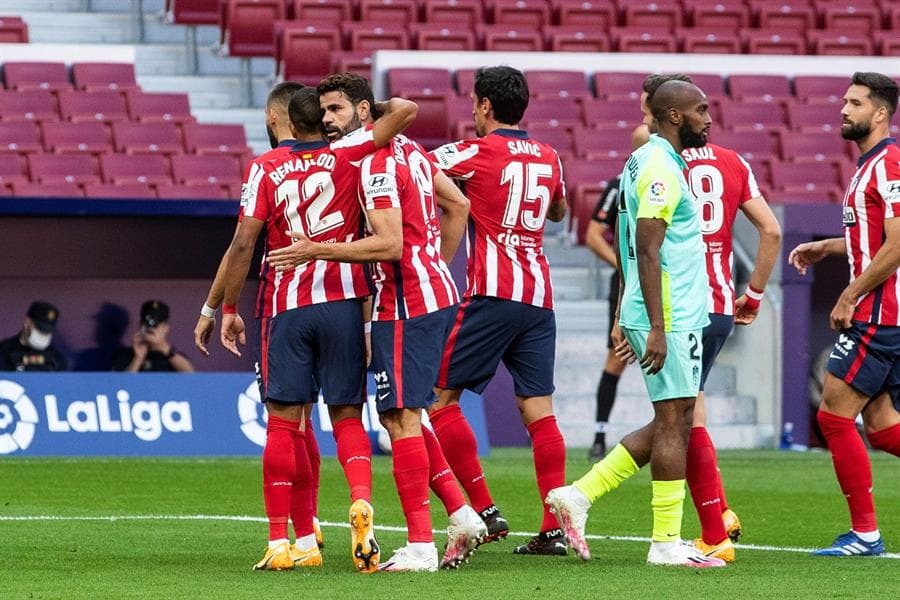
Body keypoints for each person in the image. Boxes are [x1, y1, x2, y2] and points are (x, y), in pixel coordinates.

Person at [268, 73, 486, 572]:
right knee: (404, 413)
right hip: (424, 294)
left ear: (365, 113)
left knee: (402, 419)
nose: (327, 120)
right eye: (323, 111)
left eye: (338, 110)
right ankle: (459, 511)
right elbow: (458, 204)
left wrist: (315, 248)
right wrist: (435, 263)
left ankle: (420, 545)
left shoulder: (374, 165)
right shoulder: (408, 147)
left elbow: (389, 244)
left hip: (408, 302)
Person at [218, 84, 417, 572]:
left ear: (284, 120)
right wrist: (373, 110)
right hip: (345, 303)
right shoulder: (348, 152)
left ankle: (284, 542)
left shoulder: (264, 167)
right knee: (348, 416)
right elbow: (404, 113)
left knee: (285, 423)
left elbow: (244, 243)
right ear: (320, 121)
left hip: (288, 304)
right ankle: (361, 499)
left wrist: (226, 308)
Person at [546, 80, 726, 568]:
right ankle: (665, 543)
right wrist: (656, 325)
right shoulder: (660, 167)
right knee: (674, 421)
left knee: (679, 417)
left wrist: (629, 311)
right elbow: (646, 246)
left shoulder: (646, 160)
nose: (709, 118)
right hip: (670, 313)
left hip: (661, 309)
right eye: (701, 110)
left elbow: (630, 242)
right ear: (673, 115)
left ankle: (579, 496)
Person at [428, 65, 568, 556]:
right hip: (539, 298)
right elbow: (558, 211)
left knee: (439, 400)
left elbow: (421, 169)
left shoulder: (474, 149)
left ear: (485, 105)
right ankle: (554, 529)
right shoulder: (550, 157)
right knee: (539, 412)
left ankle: (485, 510)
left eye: (474, 101)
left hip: (492, 293)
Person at [788, 72, 900, 557]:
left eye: (854, 103)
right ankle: (865, 534)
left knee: (834, 417)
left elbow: (898, 245)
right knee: (879, 426)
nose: (843, 109)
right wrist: (826, 247)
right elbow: (871, 241)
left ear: (880, 113)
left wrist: (849, 295)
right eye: (844, 101)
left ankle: (865, 536)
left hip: (879, 313)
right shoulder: (867, 165)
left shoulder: (889, 163)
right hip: (882, 312)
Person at [681, 120, 782, 563]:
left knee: (675, 419)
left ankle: (710, 534)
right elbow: (772, 231)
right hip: (720, 304)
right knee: (692, 408)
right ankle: (720, 513)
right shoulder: (734, 161)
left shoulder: (660, 163)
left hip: (679, 306)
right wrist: (755, 294)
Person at [587, 74, 692, 461]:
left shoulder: (671, 171)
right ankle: (599, 434)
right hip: (644, 285)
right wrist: (624, 261)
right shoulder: (636, 179)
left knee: (683, 406)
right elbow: (599, 233)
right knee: (622, 365)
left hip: (653, 283)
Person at [112, 301, 193, 372]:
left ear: (166, 327)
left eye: (156, 324)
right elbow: (122, 385)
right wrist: (138, 358)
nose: (151, 328)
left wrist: (164, 349)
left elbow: (191, 375)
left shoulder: (173, 356)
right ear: (140, 325)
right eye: (147, 324)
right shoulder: (126, 355)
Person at [0, 301, 66, 371]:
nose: (43, 335)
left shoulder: (57, 358)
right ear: (27, 323)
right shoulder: (4, 351)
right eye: (40, 329)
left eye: (47, 332)